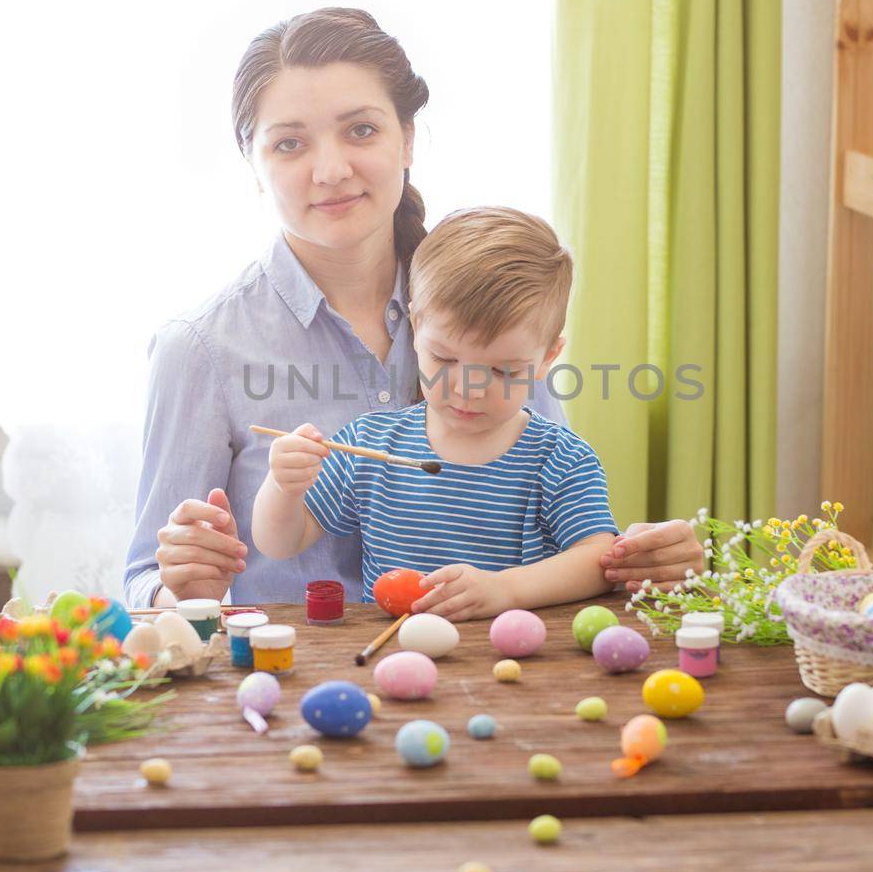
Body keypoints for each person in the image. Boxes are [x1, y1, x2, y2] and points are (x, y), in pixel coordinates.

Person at [123, 7, 705, 609]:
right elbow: (144, 579)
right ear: (254, 162)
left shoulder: (496, 301)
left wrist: (639, 560)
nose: (330, 170)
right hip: (302, 681)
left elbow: (554, 513)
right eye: (290, 143)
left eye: (361, 130)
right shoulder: (198, 349)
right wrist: (179, 589)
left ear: (407, 140)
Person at [254, 207, 616, 621]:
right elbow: (281, 543)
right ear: (415, 326)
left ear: (548, 357)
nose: (467, 388)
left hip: (520, 663)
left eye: (502, 370)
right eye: (444, 358)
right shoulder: (368, 444)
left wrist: (505, 589)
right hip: (394, 659)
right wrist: (283, 486)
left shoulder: (560, 459)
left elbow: (598, 557)